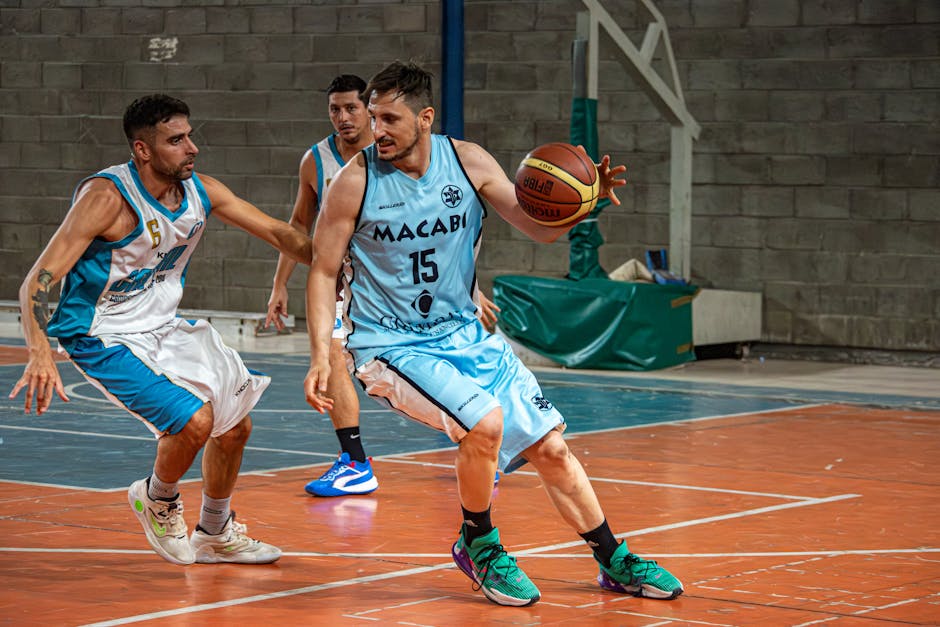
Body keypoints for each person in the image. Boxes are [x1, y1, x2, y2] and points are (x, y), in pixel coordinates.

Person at [302, 61, 683, 606]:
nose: (376, 129)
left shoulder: (469, 162)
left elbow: (537, 228)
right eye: (373, 117)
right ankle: (477, 542)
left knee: (552, 448)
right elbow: (321, 269)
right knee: (484, 425)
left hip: (466, 336)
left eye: (389, 118)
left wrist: (585, 202)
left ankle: (612, 556)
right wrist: (322, 353)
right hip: (392, 345)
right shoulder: (354, 181)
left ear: (425, 117)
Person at [8, 94, 304, 567]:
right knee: (194, 420)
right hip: (102, 333)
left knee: (234, 426)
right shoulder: (106, 199)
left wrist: (347, 261)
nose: (192, 148)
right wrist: (39, 350)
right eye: (176, 140)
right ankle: (157, 498)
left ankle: (215, 531)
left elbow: (279, 233)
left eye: (189, 136)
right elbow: (35, 284)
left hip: (162, 325)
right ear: (143, 150)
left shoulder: (201, 192)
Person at [266, 74, 501, 497]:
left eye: (352, 109)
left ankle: (484, 442)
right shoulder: (317, 162)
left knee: (461, 356)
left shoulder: (413, 156)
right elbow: (299, 227)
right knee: (333, 353)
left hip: (415, 292)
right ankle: (354, 461)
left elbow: (438, 235)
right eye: (334, 110)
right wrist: (279, 284)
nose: (344, 118)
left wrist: (472, 288)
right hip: (354, 287)